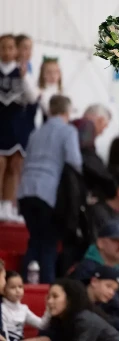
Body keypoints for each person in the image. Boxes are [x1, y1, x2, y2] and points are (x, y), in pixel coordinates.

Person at [18, 95, 82, 284]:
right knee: (48, 242)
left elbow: (26, 160)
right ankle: (46, 285)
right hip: (48, 191)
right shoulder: (68, 131)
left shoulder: (36, 132)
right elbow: (74, 161)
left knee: (35, 238)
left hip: (26, 190)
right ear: (66, 111)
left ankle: (24, 280)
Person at [0, 34, 38, 222]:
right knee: (0, 164)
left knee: (14, 167)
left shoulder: (22, 72)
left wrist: (24, 77)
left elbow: (32, 98)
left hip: (16, 125)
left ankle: (8, 205)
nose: (7, 52)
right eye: (3, 48)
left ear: (16, 50)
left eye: (10, 48)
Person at [25, 278, 119, 341]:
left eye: (55, 297)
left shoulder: (85, 319)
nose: (50, 301)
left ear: (69, 299)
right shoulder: (60, 318)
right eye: (48, 297)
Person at [1, 271, 50, 341]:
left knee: (46, 339)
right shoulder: (2, 308)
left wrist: (49, 309)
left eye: (20, 287)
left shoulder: (23, 309)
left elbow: (41, 325)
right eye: (13, 287)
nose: (18, 290)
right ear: (4, 289)